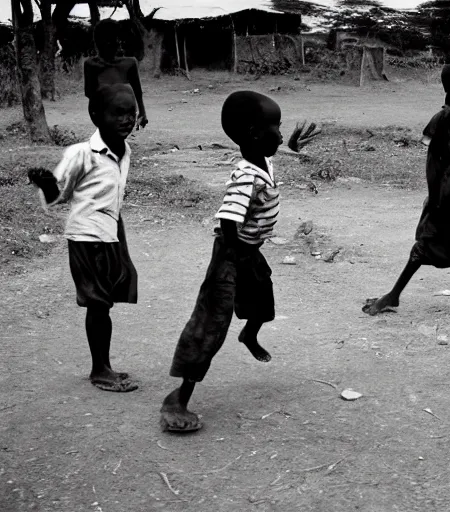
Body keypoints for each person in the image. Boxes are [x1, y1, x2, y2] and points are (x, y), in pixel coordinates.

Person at [160, 91, 309, 432]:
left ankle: (250, 335)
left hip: (248, 250)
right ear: (254, 133)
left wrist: (295, 145)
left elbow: (279, 152)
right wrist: (240, 257)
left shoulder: (264, 161)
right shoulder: (246, 175)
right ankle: (178, 398)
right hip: (231, 253)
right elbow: (228, 220)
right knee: (210, 323)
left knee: (262, 301)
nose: (281, 135)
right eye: (276, 127)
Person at [27, 84, 140, 392]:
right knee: (98, 303)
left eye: (132, 112)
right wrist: (47, 184)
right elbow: (59, 196)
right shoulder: (81, 153)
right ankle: (100, 370)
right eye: (118, 113)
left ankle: (103, 366)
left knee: (108, 297)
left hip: (110, 233)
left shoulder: (124, 151)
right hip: (86, 237)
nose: (127, 119)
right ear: (95, 115)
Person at [363, 64, 450, 316]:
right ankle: (393, 295)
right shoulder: (446, 118)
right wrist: (437, 196)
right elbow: (435, 161)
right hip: (445, 196)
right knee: (425, 245)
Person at [84, 19, 148, 130]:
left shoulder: (129, 63)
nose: (118, 43)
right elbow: (90, 94)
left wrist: (142, 112)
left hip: (124, 115)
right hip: (103, 115)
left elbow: (138, 91)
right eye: (114, 40)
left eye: (117, 40)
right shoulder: (91, 65)